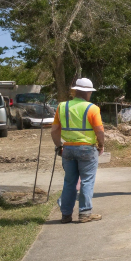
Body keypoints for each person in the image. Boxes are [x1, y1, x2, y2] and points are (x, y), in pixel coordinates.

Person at [51, 78, 105, 223]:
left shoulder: (62, 106)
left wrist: (58, 146)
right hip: (87, 149)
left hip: (68, 148)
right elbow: (99, 130)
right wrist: (101, 144)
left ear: (76, 91)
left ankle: (66, 214)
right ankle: (85, 213)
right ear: (87, 92)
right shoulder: (92, 108)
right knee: (87, 181)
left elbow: (55, 130)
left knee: (69, 181)